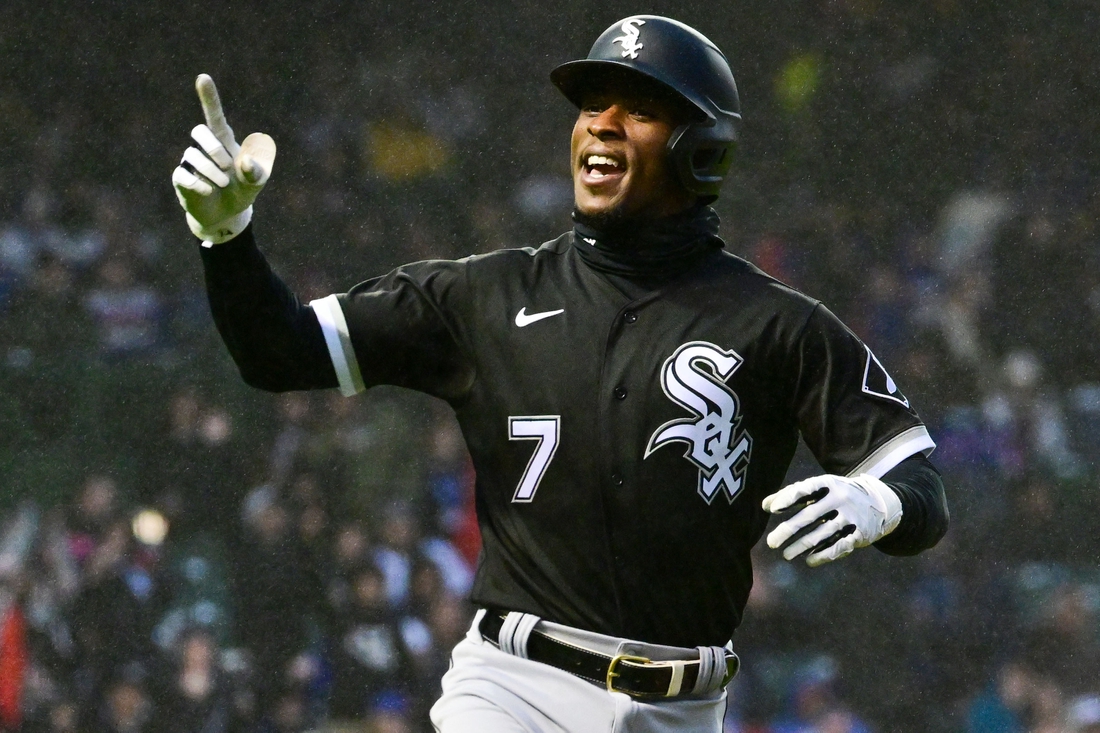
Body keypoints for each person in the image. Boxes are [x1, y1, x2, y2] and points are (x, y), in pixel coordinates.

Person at [171, 15, 949, 733]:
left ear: (700, 146)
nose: (600, 125)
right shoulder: (485, 295)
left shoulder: (781, 324)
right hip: (513, 686)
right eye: (591, 105)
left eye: (637, 109)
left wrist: (879, 498)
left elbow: (919, 483)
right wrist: (226, 237)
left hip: (685, 707)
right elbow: (276, 351)